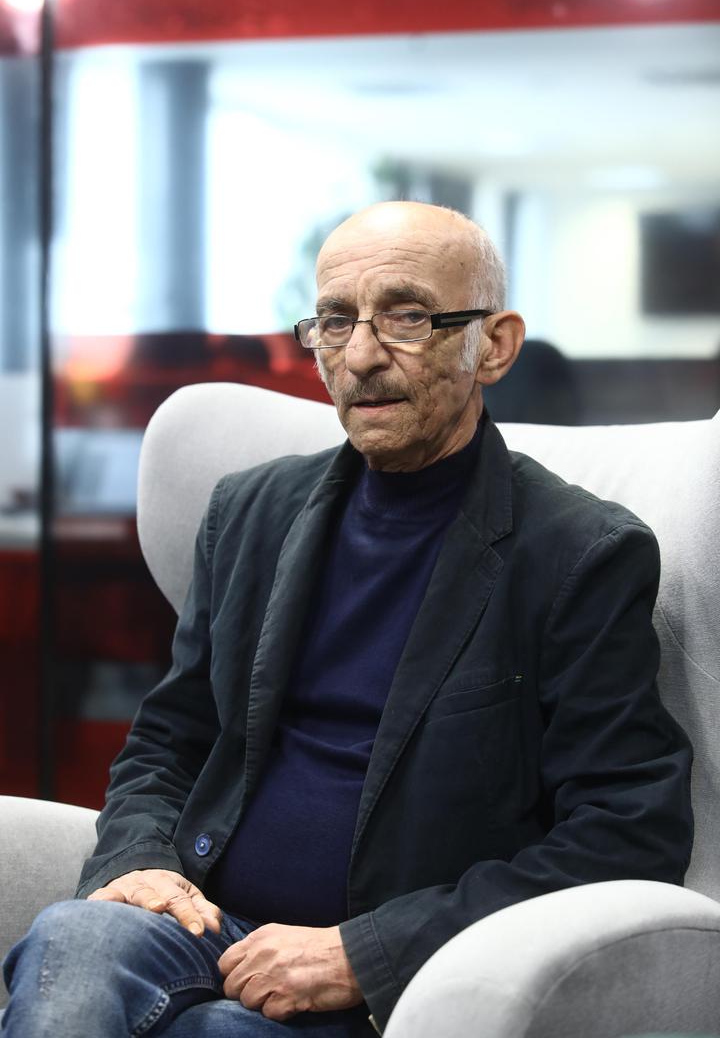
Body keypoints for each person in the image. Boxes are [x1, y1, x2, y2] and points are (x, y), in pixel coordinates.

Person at [2, 201, 693, 1037]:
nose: (360, 356)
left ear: (494, 346)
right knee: (75, 935)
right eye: (335, 321)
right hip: (203, 925)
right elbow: (170, 738)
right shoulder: (249, 512)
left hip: (389, 980)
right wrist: (138, 859)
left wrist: (363, 954)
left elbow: (626, 835)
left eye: (407, 317)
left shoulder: (580, 553)